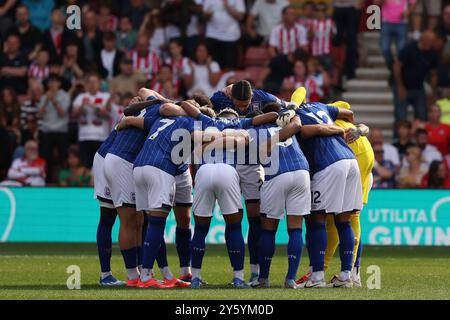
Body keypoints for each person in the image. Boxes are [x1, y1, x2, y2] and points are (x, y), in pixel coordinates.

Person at [289, 101, 362, 288]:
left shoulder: (293, 114)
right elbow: (349, 112)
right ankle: (346, 276)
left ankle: (317, 276)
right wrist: (344, 128)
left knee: (316, 219)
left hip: (327, 164)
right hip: (350, 160)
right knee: (343, 220)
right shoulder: (322, 106)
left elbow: (305, 131)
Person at [248, 106, 310, 289]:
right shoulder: (289, 124)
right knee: (296, 229)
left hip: (275, 174)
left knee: (268, 229)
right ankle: (291, 279)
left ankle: (263, 279)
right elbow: (297, 122)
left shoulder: (253, 129)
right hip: (301, 171)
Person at [393, 30, 441, 132]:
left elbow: (433, 74)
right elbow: (397, 66)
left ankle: (420, 139)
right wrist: (400, 87)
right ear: (423, 39)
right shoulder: (410, 48)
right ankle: (397, 139)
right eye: (429, 40)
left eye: (432, 41)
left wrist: (432, 91)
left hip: (418, 88)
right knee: (401, 116)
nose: (431, 43)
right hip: (403, 86)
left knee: (422, 115)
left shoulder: (432, 53)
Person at [72, 73, 112, 169]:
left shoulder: (106, 96)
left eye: (94, 82)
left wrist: (93, 106)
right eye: (89, 82)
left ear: (99, 83)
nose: (92, 84)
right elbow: (74, 115)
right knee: (85, 166)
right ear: (86, 84)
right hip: (84, 136)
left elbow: (108, 114)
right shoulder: (81, 97)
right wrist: (82, 106)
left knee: (100, 166)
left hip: (101, 136)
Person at [37, 74, 71, 183]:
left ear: (59, 83)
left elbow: (62, 113)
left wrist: (54, 101)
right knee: (46, 157)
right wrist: (46, 100)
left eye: (54, 81)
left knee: (63, 157)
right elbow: (40, 115)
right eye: (50, 82)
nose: (52, 84)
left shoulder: (65, 96)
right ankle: (47, 180)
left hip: (61, 131)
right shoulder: (43, 97)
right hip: (47, 131)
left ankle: (64, 180)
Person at [203, 0, 245, 69]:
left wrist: (228, 7)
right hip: (213, 36)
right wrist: (207, 15)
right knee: (214, 67)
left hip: (230, 37)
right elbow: (204, 15)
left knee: (229, 68)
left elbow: (241, 16)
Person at [375, 0, 417, 71]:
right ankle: (394, 70)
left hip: (402, 23)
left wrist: (408, 12)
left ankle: (397, 72)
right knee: (385, 49)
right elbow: (376, 3)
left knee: (401, 51)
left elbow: (414, 3)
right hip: (386, 22)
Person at [332, 0, 362, 80]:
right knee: (337, 42)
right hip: (338, 7)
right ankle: (338, 74)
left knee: (351, 42)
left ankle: (350, 72)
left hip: (351, 8)